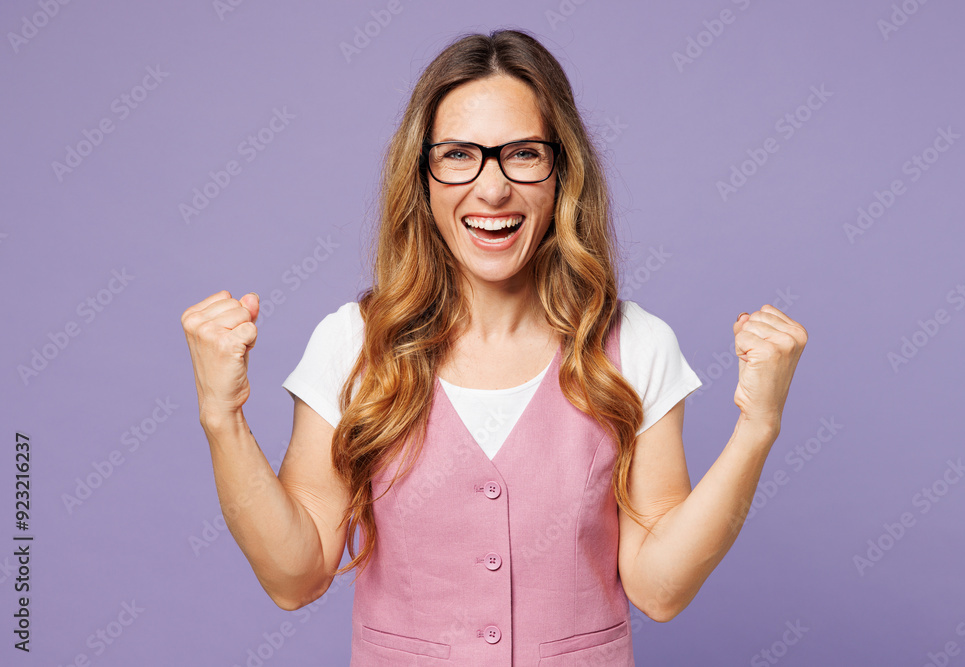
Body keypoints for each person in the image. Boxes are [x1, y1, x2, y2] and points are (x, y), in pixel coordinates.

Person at [181, 29, 807, 666]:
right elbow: (296, 576)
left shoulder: (636, 345)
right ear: (422, 175)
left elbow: (660, 589)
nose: (492, 188)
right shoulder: (351, 344)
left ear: (562, 171)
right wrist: (221, 418)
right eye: (459, 155)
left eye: (523, 153)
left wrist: (758, 426)